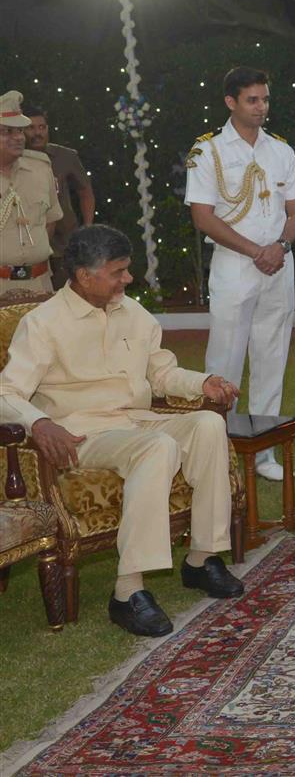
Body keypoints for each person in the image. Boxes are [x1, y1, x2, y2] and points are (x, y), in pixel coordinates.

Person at [0, 225, 244, 637]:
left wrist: (202, 383)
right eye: (118, 272)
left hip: (136, 420)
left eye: (126, 270)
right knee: (158, 447)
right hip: (83, 433)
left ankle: (201, 560)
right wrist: (39, 423)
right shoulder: (43, 324)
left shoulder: (134, 314)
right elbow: (7, 391)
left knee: (206, 423)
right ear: (83, 275)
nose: (127, 279)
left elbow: (162, 373)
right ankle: (127, 592)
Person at [185, 66, 295, 482]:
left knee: (273, 357)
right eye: (253, 100)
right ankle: (217, 450)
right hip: (236, 265)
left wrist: (281, 247)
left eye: (265, 99)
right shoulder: (208, 152)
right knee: (226, 360)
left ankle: (265, 452)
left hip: (278, 264)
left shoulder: (280, 151)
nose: (261, 108)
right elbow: (203, 217)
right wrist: (257, 250)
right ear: (230, 102)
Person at [22, 102, 95, 287]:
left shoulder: (65, 156)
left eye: (42, 127)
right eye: (30, 128)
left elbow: (85, 190)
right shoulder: (14, 159)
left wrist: (87, 227)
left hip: (64, 241)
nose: (37, 133)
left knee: (69, 292)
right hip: (28, 241)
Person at [0, 90, 62, 294]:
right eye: (7, 132)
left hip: (39, 284)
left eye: (19, 131)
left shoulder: (41, 169)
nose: (17, 137)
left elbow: (51, 220)